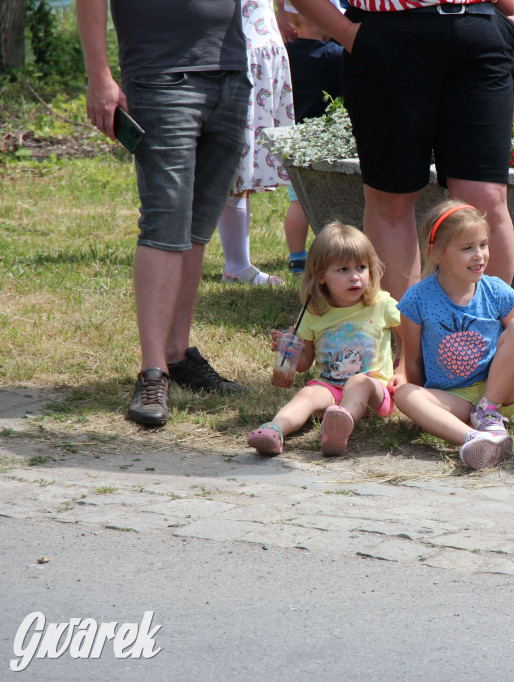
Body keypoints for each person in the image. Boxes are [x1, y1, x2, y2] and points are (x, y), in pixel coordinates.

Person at [77, 0, 251, 427]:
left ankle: (178, 353)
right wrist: (99, 75)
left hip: (229, 75)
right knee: (164, 223)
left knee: (197, 226)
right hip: (161, 77)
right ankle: (153, 372)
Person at [286, 0, 514, 301]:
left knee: (486, 200)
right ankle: (408, 340)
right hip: (388, 35)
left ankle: (487, 335)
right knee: (392, 199)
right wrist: (348, 33)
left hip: (478, 35)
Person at [393, 201, 514, 470]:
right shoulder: (416, 299)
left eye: (483, 245)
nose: (479, 255)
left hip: (501, 392)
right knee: (404, 395)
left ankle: (487, 413)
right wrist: (422, 411)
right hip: (453, 398)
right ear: (436, 253)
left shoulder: (496, 291)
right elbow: (413, 360)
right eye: (467, 248)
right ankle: (476, 439)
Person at [247, 223, 400, 456]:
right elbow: (304, 365)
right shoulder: (313, 311)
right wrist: (289, 350)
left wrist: (403, 369)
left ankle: (340, 427)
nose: (355, 277)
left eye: (361, 267)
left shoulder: (382, 304)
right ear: (320, 276)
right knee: (307, 394)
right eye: (343, 269)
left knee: (359, 382)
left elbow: (411, 333)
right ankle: (275, 429)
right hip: (330, 390)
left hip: (374, 393)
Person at [217, 0, 294, 286]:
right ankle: (235, 264)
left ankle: (238, 263)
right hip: (238, 50)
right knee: (232, 164)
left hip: (262, 47)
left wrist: (283, 15)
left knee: (242, 168)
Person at [278, 2, 346, 274]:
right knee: (318, 202)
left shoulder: (286, 55)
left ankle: (297, 257)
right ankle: (324, 252)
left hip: (293, 138)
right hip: (322, 141)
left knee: (297, 201)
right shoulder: (333, 55)